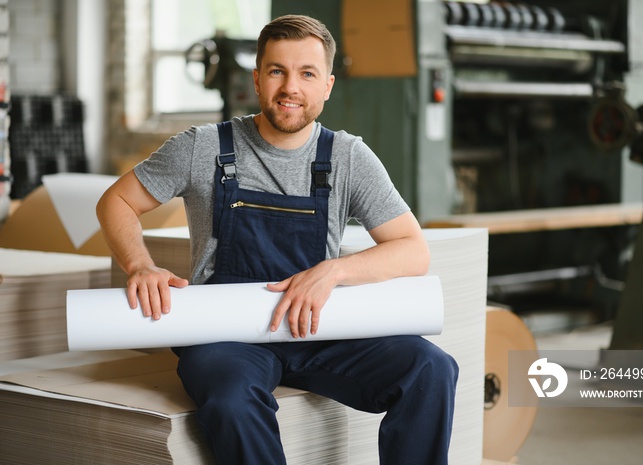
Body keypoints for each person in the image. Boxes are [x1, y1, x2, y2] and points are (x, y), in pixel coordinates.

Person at [97, 14, 458, 465]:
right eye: (277, 71)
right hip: (225, 333)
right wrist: (140, 265)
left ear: (327, 85)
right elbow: (116, 202)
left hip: (319, 328)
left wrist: (334, 270)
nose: (291, 87)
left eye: (307, 74)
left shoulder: (348, 157)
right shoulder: (204, 147)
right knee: (231, 401)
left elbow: (412, 249)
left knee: (430, 368)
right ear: (257, 79)